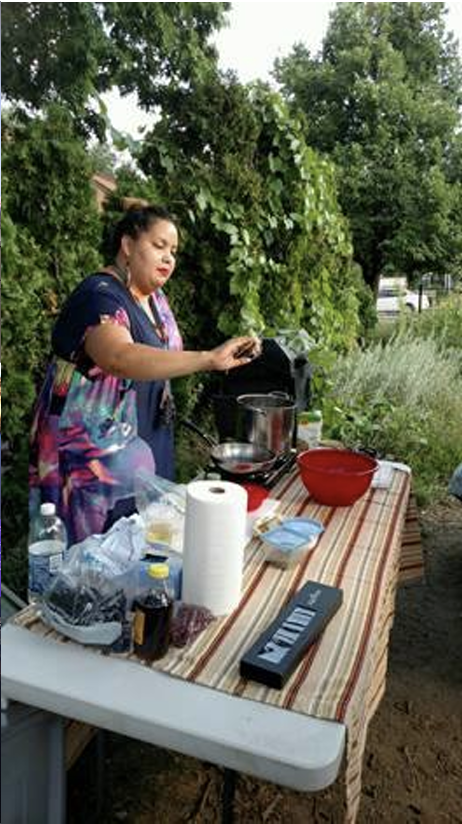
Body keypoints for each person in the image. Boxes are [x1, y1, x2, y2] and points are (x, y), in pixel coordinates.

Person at [29, 203, 260, 546]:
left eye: (173, 251)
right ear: (127, 245)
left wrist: (223, 356)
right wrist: (208, 359)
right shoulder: (98, 296)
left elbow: (163, 355)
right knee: (90, 559)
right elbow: (119, 357)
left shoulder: (154, 298)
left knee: (142, 549)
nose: (168, 258)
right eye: (159, 245)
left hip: (145, 441)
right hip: (91, 461)